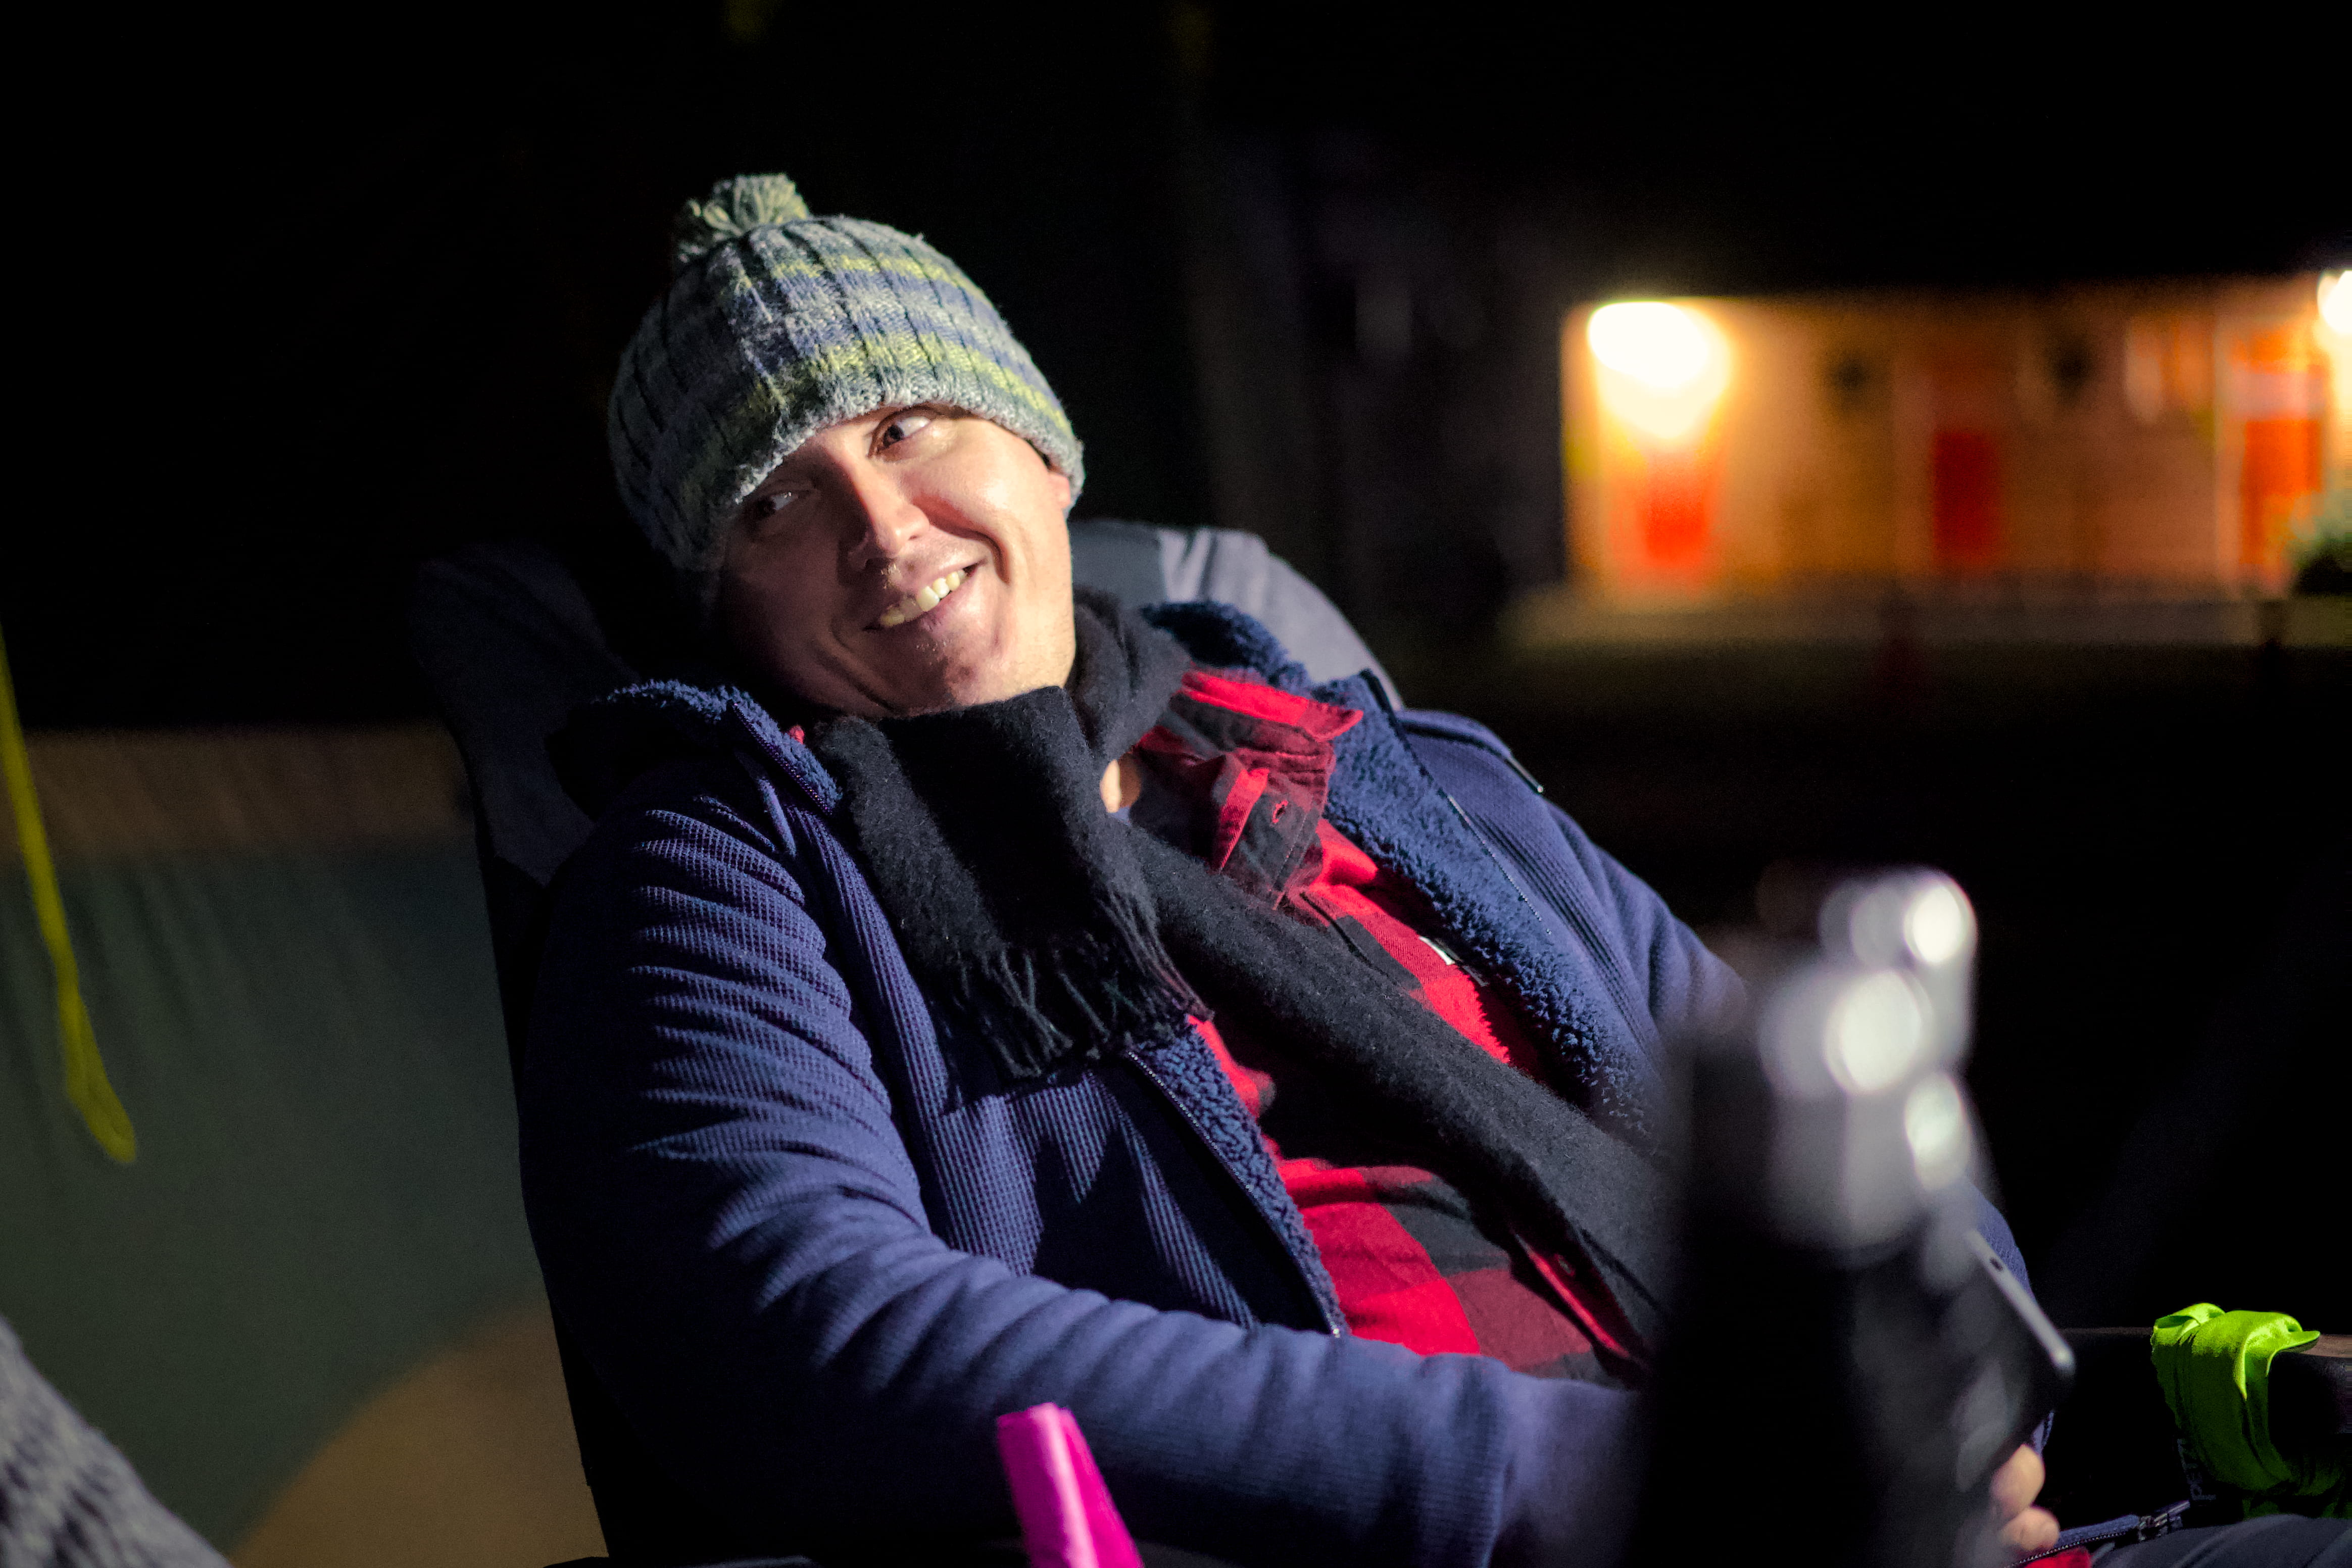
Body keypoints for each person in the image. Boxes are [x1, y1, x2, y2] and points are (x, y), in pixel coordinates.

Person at [519, 173, 2060, 1566]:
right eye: (775, 504)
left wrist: (1937, 1416)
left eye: (906, 428)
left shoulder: (1390, 769)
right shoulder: (722, 870)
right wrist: (1607, 1479)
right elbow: (805, 1331)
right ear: (729, 610)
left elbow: (1814, 1116)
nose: (880, 527)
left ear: (1042, 455)